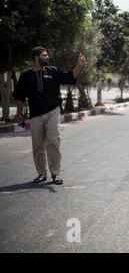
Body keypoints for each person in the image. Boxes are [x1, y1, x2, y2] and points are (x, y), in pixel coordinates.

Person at [12, 47, 85, 185]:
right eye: (44, 55)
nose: (47, 57)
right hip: (35, 114)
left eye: (47, 55)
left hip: (53, 111)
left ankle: (55, 173)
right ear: (36, 58)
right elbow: (19, 96)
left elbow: (70, 76)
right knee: (38, 145)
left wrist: (79, 66)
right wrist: (19, 114)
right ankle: (41, 173)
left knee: (53, 140)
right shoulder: (26, 75)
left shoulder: (53, 71)